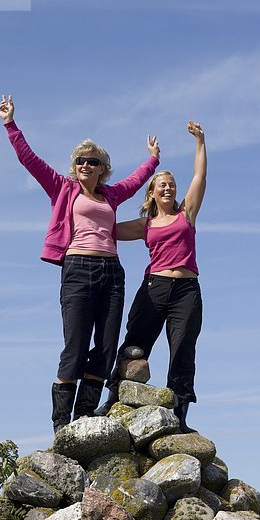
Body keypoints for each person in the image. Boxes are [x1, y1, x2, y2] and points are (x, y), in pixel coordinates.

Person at [0, 95, 160, 432]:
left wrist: (153, 160)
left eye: (91, 161)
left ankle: (84, 415)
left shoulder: (111, 194)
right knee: (74, 346)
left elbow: (134, 181)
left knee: (105, 346)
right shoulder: (63, 188)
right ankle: (61, 423)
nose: (84, 165)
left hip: (112, 273)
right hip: (78, 271)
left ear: (102, 167)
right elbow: (30, 160)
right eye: (80, 161)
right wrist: (11, 125)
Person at [97, 121, 207, 433]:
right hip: (154, 288)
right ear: (153, 192)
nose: (169, 188)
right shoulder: (145, 225)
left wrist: (200, 141)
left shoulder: (187, 213)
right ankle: (113, 396)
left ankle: (180, 414)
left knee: (183, 349)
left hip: (186, 289)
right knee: (134, 344)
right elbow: (106, 227)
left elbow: (200, 176)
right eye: (163, 185)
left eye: (172, 184)